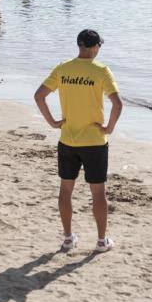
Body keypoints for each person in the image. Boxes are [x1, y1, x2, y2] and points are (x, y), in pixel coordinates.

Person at [34, 29, 122, 253]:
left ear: (79, 46)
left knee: (66, 190)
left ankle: (67, 238)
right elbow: (118, 104)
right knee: (98, 192)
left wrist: (53, 123)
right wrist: (109, 128)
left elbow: (39, 96)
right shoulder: (101, 70)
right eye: (99, 46)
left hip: (68, 140)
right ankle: (102, 241)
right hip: (94, 142)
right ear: (94, 48)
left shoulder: (64, 68)